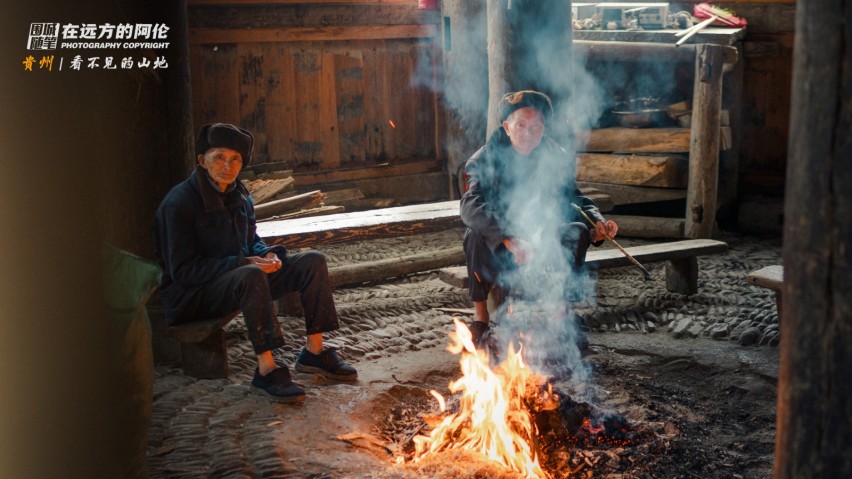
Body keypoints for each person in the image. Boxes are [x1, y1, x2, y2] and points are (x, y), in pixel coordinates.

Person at [154, 123, 357, 403]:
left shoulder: (240, 196)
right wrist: (245, 262)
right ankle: (267, 370)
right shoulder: (179, 203)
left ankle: (314, 352)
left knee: (312, 261)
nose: (228, 165)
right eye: (219, 158)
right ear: (202, 161)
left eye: (235, 159)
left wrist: (267, 254)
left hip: (238, 277)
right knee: (250, 274)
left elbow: (251, 242)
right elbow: (184, 271)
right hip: (194, 295)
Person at [460, 90, 618, 348]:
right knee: (474, 234)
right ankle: (480, 319)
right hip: (502, 245)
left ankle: (562, 316)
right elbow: (470, 205)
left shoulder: (554, 156)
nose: (528, 133)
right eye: (520, 125)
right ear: (506, 127)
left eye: (536, 126)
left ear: (544, 128)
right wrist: (508, 239)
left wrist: (596, 222)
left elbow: (574, 199)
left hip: (543, 242)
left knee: (577, 230)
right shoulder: (484, 159)